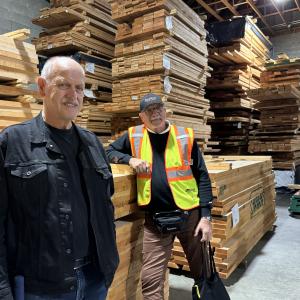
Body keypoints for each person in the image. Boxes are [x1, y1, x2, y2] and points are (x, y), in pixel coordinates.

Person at [0, 56, 119, 300]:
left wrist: (110, 263)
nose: (73, 95)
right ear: (42, 87)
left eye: (79, 88)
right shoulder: (13, 143)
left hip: (95, 279)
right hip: (41, 287)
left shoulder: (93, 144)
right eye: (64, 85)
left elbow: (105, 207)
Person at [106, 93, 213, 299]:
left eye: (159, 108)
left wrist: (206, 217)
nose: (155, 113)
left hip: (190, 217)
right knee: (151, 281)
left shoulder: (184, 137)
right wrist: (129, 160)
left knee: (204, 273)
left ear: (165, 111)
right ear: (142, 116)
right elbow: (108, 151)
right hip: (156, 222)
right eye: (150, 111)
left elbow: (202, 177)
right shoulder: (134, 136)